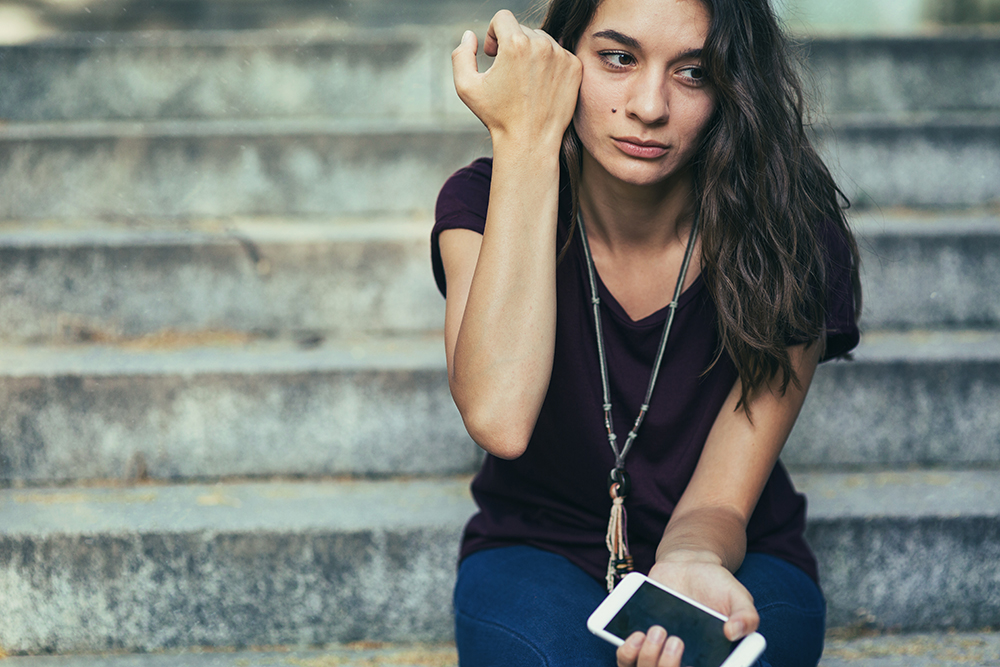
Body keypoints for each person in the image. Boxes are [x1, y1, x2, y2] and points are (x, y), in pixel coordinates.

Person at [430, 0, 861, 665]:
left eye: (694, 72)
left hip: (730, 548)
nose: (650, 105)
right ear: (563, 56)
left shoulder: (788, 230)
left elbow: (720, 497)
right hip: (537, 548)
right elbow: (499, 416)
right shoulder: (482, 202)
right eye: (618, 58)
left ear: (733, 86)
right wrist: (525, 140)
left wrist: (690, 558)